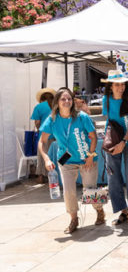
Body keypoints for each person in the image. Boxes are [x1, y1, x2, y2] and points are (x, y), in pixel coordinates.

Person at [37, 88, 103, 234]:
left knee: (90, 189)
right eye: (63, 99)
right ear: (57, 103)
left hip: (86, 158)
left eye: (69, 99)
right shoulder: (52, 120)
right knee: (68, 191)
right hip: (66, 160)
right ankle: (74, 219)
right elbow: (42, 142)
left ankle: (99, 211)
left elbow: (93, 137)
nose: (67, 101)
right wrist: (47, 158)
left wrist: (91, 155)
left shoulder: (82, 116)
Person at [102, 70, 128, 226]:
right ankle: (122, 211)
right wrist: (113, 143)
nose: (120, 87)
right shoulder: (106, 99)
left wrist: (124, 142)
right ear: (110, 86)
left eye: (122, 84)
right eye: (117, 84)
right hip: (113, 142)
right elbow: (109, 122)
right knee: (113, 178)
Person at [31, 87, 56, 183]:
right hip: (57, 135)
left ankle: (41, 176)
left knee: (42, 156)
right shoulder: (56, 106)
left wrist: (38, 129)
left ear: (41, 98)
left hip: (44, 135)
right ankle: (55, 176)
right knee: (55, 155)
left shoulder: (38, 107)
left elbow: (37, 123)